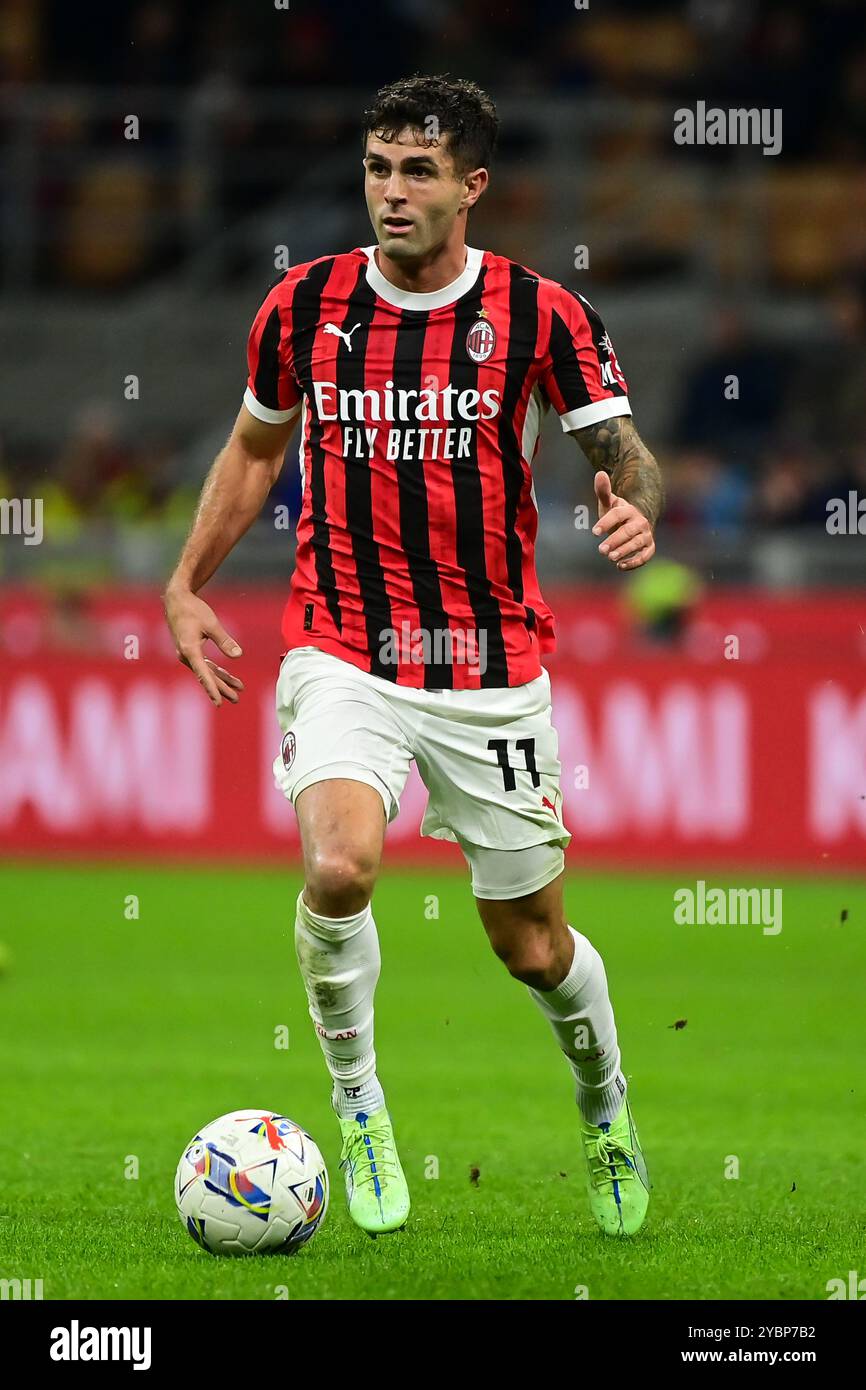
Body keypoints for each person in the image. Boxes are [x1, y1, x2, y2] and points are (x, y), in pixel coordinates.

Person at [164, 74, 663, 1239]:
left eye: (418, 171)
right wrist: (186, 582)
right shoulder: (305, 305)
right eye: (378, 167)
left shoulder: (541, 315)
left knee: (530, 946)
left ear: (470, 187)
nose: (391, 190)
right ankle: (356, 1102)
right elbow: (251, 447)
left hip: (490, 670)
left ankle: (603, 1103)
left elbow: (624, 454)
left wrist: (633, 507)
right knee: (338, 869)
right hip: (343, 645)